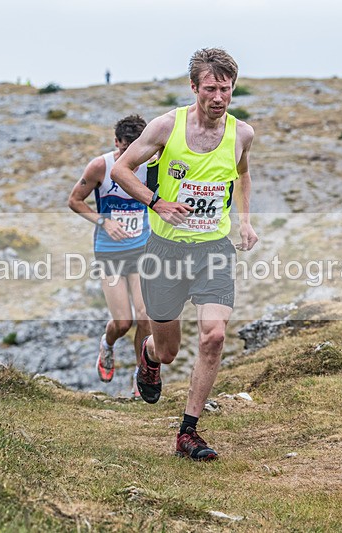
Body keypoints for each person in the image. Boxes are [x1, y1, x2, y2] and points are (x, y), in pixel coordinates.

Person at [110, 48, 258, 460]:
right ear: (194, 88)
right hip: (165, 249)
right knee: (169, 350)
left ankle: (188, 433)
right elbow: (121, 170)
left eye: (225, 89)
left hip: (213, 248)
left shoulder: (241, 134)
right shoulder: (166, 127)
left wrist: (244, 222)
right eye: (210, 88)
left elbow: (243, 174)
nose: (218, 97)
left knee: (213, 336)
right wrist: (155, 202)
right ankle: (149, 356)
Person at [68, 115, 151, 396]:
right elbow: (74, 200)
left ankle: (141, 374)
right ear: (117, 143)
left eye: (138, 147)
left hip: (142, 248)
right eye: (127, 148)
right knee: (123, 322)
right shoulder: (100, 166)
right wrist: (104, 221)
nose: (133, 156)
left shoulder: (151, 165)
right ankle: (108, 343)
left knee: (146, 316)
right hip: (110, 252)